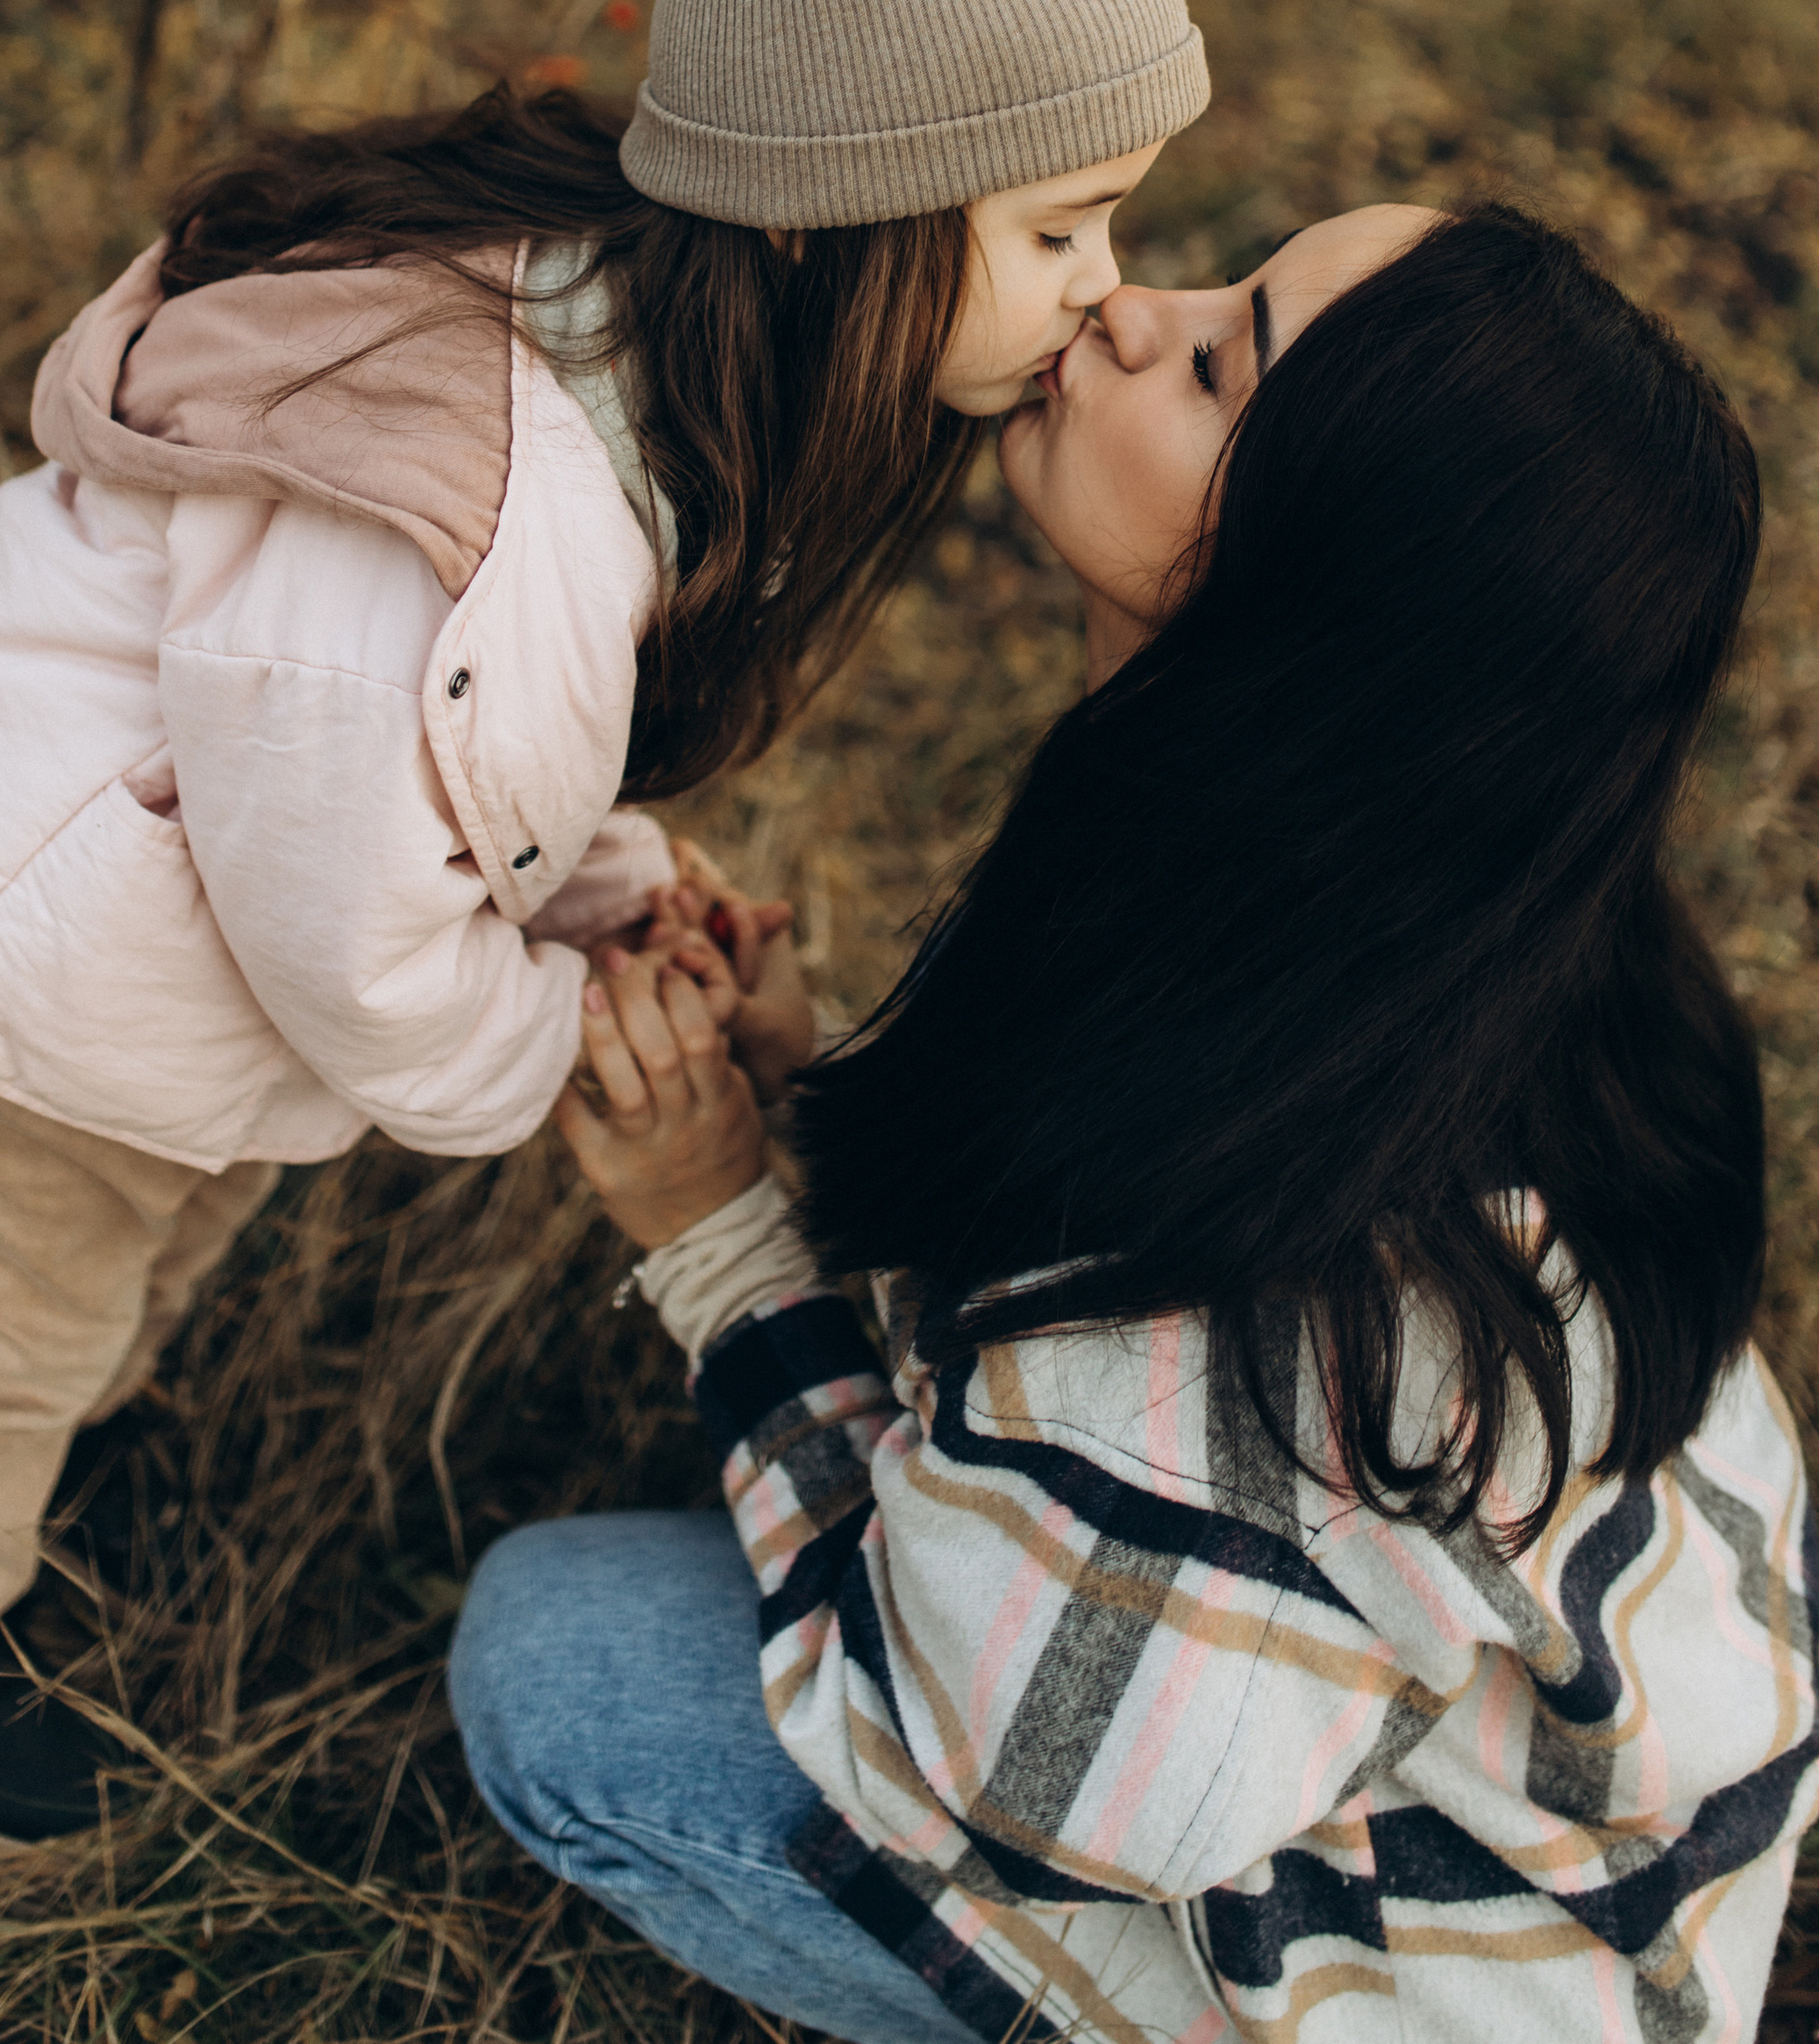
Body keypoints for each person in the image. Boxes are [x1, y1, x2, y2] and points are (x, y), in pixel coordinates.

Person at [0, 0, 1211, 1850]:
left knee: (129, 1257)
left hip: (172, 926)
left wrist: (603, 885)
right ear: (835, 211)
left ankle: (69, 1416)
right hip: (37, 959)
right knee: (0, 1315)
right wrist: (559, 1027)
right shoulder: (483, 516)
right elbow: (360, 931)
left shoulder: (628, 358)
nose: (1102, 293)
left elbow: (428, 789)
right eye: (1056, 226)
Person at [454, 200, 1819, 2044]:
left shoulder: (1268, 1289)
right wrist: (807, 1094)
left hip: (1419, 1986)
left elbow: (1030, 1791)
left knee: (564, 1679)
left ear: (1316, 593)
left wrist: (716, 1240)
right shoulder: (1418, 927)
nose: (1113, 305)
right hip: (1506, 1807)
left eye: (1211, 363)